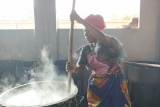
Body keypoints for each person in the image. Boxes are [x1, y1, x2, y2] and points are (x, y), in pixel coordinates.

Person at [66, 11, 131, 107]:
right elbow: (80, 68)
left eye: (88, 31)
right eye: (84, 31)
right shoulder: (85, 50)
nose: (85, 34)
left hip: (114, 83)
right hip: (96, 87)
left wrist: (81, 21)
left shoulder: (109, 42)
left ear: (96, 31)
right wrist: (73, 68)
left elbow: (102, 38)